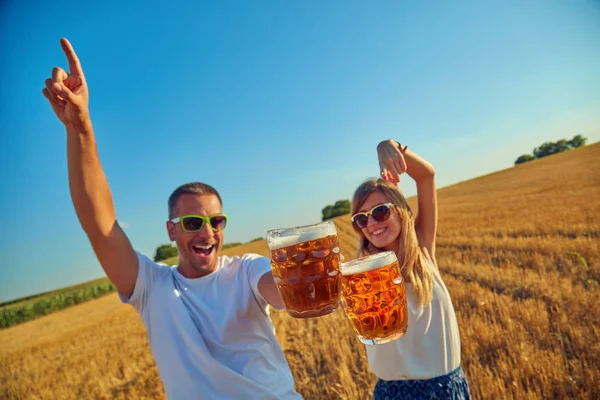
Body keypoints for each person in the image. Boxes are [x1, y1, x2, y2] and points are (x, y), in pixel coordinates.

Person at [42, 38, 301, 400]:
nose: (208, 232)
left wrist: (303, 286)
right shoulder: (152, 287)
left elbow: (282, 292)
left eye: (217, 221)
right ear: (171, 230)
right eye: (193, 222)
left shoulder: (245, 271)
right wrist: (80, 128)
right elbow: (100, 228)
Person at [349, 140, 471, 400]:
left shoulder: (423, 250)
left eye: (380, 211)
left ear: (401, 212)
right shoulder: (362, 276)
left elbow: (426, 176)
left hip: (448, 388)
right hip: (394, 394)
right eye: (361, 218)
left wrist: (389, 146)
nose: (371, 223)